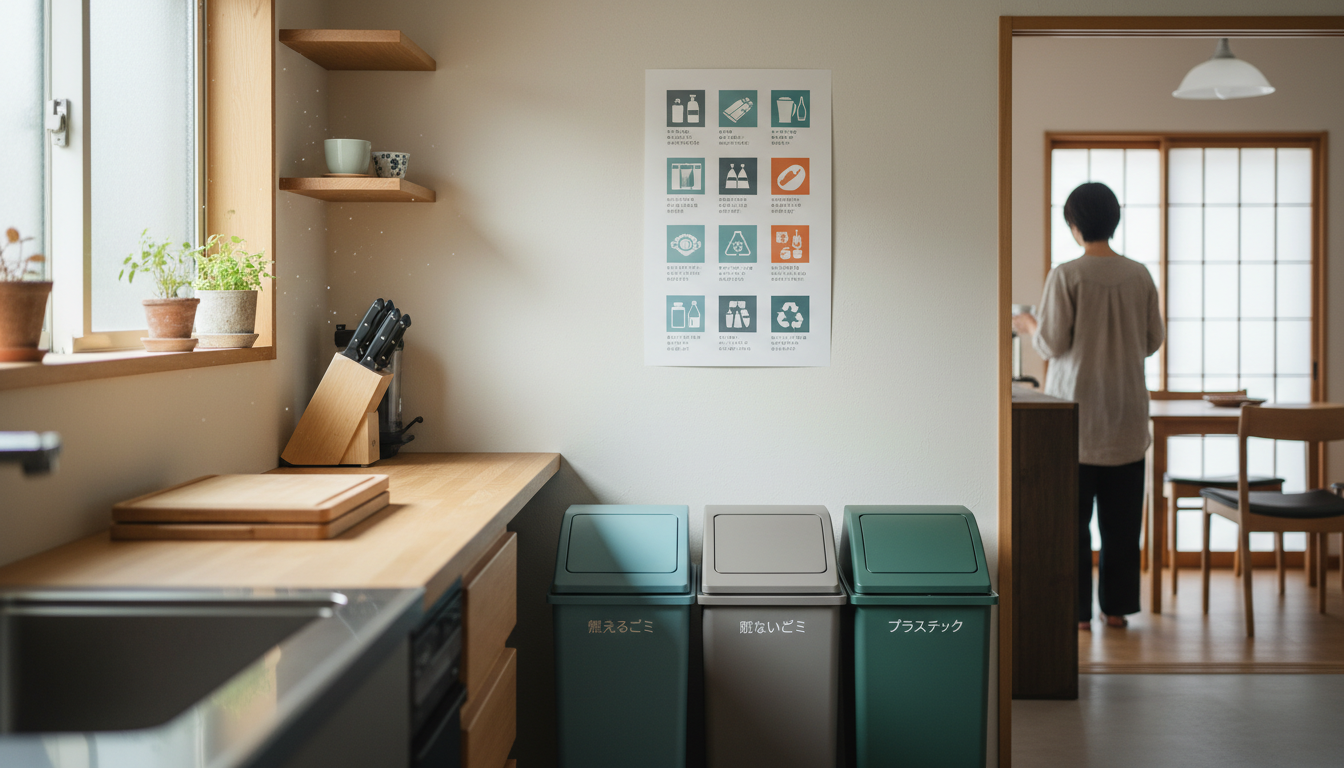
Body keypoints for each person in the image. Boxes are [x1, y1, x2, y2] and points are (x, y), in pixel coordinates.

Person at [1013, 182, 1164, 631]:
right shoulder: (1139, 274)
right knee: (1121, 526)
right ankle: (1115, 609)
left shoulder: (1067, 274)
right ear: (1113, 220)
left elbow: (1053, 342)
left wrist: (1027, 325)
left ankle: (1077, 614)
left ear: (1074, 225)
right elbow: (1153, 341)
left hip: (1075, 418)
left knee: (1071, 526)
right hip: (1127, 416)